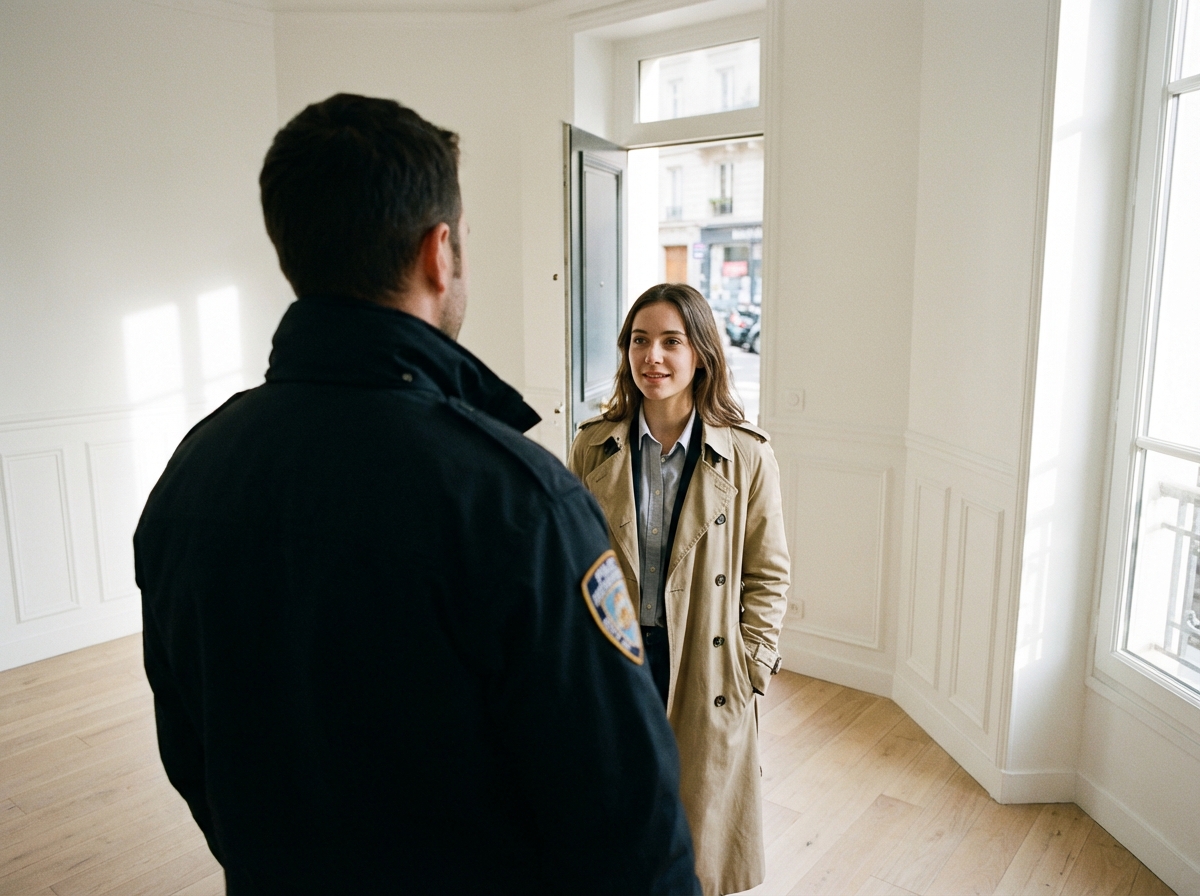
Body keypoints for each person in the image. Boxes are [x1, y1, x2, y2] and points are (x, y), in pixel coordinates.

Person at [135, 94, 699, 895]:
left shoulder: (191, 475)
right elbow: (629, 826)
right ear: (440, 253)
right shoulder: (519, 505)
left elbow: (192, 752)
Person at [568, 283, 790, 896]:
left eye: (672, 341)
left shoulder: (746, 455)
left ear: (702, 354)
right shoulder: (593, 445)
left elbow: (768, 573)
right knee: (618, 806)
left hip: (705, 659)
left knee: (700, 827)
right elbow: (572, 561)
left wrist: (751, 663)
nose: (653, 357)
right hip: (617, 655)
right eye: (640, 341)